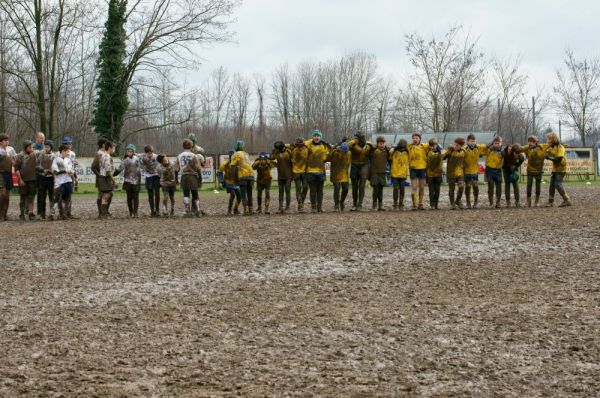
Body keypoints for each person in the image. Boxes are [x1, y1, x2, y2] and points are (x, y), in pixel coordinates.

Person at [305, 130, 332, 213]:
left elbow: (330, 152)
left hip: (321, 171)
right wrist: (309, 141)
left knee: (320, 191)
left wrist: (327, 144)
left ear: (320, 137)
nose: (316, 137)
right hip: (310, 171)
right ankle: (313, 207)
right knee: (312, 191)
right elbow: (303, 147)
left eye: (318, 136)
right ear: (313, 137)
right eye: (315, 135)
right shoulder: (309, 145)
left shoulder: (324, 146)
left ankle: (319, 207)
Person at [348, 131, 374, 211]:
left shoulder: (368, 145)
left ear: (360, 138)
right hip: (354, 165)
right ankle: (354, 204)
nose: (354, 139)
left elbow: (373, 152)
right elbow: (345, 147)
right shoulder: (352, 144)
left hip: (364, 165)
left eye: (356, 138)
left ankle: (360, 204)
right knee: (354, 186)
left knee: (362, 186)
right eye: (354, 138)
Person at [177, 139, 203, 217]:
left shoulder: (179, 155)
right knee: (195, 194)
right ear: (191, 146)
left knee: (186, 194)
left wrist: (176, 179)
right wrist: (200, 179)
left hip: (184, 176)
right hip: (193, 176)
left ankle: (187, 211)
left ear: (183, 146)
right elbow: (198, 168)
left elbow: (176, 168)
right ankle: (198, 211)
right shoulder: (193, 155)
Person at [49, 144, 75, 220]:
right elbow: (55, 171)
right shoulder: (56, 160)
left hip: (68, 181)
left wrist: (72, 172)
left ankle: (63, 214)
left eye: (68, 151)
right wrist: (64, 171)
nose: (68, 153)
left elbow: (72, 169)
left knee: (66, 199)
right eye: (67, 151)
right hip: (59, 183)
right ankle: (51, 214)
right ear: (62, 151)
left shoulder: (69, 160)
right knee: (56, 199)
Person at [545, 132, 571, 207]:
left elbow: (559, 159)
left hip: (561, 168)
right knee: (552, 185)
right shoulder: (550, 147)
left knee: (557, 183)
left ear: (554, 139)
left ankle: (567, 200)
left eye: (549, 139)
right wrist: (546, 153)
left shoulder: (560, 148)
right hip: (555, 169)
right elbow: (546, 152)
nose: (548, 140)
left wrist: (548, 157)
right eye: (548, 138)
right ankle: (550, 202)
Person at [520, 136, 547, 207]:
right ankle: (528, 201)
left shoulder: (541, 147)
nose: (530, 143)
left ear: (536, 142)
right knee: (529, 185)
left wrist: (563, 145)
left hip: (539, 171)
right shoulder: (527, 148)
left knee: (538, 186)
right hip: (530, 170)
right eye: (529, 141)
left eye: (532, 142)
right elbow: (519, 149)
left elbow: (550, 145)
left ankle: (536, 202)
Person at [15, 140, 38, 220]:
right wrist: (20, 179)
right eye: (30, 147)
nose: (31, 148)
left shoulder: (34, 155)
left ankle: (31, 213)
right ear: (25, 147)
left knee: (31, 197)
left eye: (32, 147)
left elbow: (37, 166)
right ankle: (22, 213)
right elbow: (17, 169)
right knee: (23, 197)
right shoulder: (19, 156)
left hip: (32, 179)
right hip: (23, 180)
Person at [406, 132, 430, 210]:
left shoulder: (424, 146)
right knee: (414, 187)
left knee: (422, 187)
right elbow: (398, 146)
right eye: (413, 138)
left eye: (416, 138)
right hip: (413, 169)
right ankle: (414, 205)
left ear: (420, 139)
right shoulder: (408, 146)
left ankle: (421, 204)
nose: (415, 139)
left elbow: (434, 144)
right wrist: (393, 148)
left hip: (422, 169)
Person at [231, 140, 254, 215]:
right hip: (251, 175)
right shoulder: (246, 154)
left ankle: (245, 210)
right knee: (250, 193)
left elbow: (234, 167)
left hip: (243, 175)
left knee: (243, 193)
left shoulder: (235, 154)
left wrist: (234, 179)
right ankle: (251, 209)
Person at [463, 134, 487, 209]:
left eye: (474, 141)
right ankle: (468, 203)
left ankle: (476, 202)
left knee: (475, 186)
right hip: (466, 171)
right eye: (471, 141)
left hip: (475, 171)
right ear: (468, 141)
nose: (473, 143)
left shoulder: (478, 148)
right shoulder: (464, 149)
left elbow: (486, 148)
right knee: (468, 186)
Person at [119, 144, 142, 217]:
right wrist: (115, 172)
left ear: (133, 152)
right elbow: (121, 168)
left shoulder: (138, 158)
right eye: (128, 151)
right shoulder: (125, 159)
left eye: (131, 151)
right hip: (127, 180)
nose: (129, 152)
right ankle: (130, 212)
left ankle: (136, 212)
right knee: (129, 197)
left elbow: (143, 160)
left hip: (136, 180)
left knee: (136, 197)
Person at [328, 141, 351, 211]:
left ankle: (342, 201)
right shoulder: (335, 153)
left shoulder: (349, 153)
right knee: (337, 188)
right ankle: (336, 204)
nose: (344, 152)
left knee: (346, 189)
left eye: (346, 151)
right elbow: (328, 158)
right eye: (343, 151)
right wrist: (333, 150)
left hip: (344, 173)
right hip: (335, 173)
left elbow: (349, 163)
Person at [35, 140, 55, 219]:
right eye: (45, 147)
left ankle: (52, 213)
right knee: (42, 196)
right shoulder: (41, 155)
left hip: (51, 178)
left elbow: (57, 166)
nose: (46, 148)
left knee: (51, 196)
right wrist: (43, 170)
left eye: (48, 147)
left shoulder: (54, 156)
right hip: (42, 177)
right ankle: (42, 213)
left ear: (51, 148)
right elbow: (36, 165)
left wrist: (51, 171)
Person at [271, 141, 293, 213]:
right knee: (280, 191)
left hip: (288, 175)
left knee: (287, 190)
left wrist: (293, 174)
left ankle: (288, 207)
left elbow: (293, 161)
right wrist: (273, 151)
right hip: (280, 175)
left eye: (279, 148)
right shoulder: (276, 152)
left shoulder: (289, 151)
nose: (279, 150)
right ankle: (280, 206)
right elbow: (271, 158)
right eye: (278, 148)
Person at [445, 137, 466, 210]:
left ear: (461, 146)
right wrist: (449, 149)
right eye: (455, 144)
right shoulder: (450, 151)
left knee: (461, 187)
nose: (455, 146)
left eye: (457, 145)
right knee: (452, 189)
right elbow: (443, 157)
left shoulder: (463, 151)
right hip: (451, 173)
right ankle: (452, 204)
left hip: (460, 172)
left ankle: (457, 200)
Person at [218, 150, 241, 215]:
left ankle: (235, 209)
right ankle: (229, 211)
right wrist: (222, 181)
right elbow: (219, 172)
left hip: (236, 183)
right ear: (230, 156)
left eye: (234, 156)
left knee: (239, 197)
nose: (233, 157)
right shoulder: (225, 163)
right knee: (233, 195)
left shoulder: (238, 164)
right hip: (228, 182)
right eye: (232, 156)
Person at [369, 136, 389, 211]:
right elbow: (369, 151)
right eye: (380, 143)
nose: (382, 145)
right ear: (377, 144)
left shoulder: (386, 151)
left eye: (383, 143)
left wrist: (388, 147)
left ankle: (380, 205)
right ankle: (374, 205)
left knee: (381, 190)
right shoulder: (373, 151)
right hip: (374, 173)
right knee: (375, 189)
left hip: (382, 173)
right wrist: (373, 147)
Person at [140, 145, 161, 217]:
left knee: (157, 193)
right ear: (145, 153)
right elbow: (135, 155)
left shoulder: (156, 157)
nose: (150, 155)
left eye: (151, 153)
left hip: (156, 176)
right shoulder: (143, 157)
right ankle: (152, 211)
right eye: (148, 153)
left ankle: (157, 210)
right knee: (150, 194)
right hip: (148, 176)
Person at [97, 141, 117, 219]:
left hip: (103, 177)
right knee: (106, 195)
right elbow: (108, 171)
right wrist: (113, 180)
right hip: (105, 177)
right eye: (113, 148)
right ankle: (103, 214)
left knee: (109, 194)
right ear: (109, 148)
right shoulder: (107, 156)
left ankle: (103, 213)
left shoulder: (104, 155)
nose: (114, 149)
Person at [484, 136, 504, 208]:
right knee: (491, 186)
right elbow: (483, 151)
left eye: (498, 143)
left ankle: (498, 202)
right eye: (495, 143)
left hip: (498, 170)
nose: (497, 144)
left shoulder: (503, 151)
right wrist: (489, 147)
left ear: (501, 143)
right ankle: (491, 202)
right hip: (489, 170)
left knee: (499, 187)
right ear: (493, 143)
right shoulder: (489, 150)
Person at [0, 134, 17, 221]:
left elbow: (15, 158)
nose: (7, 142)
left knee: (7, 195)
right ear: (1, 142)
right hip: (1, 174)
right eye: (5, 140)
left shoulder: (11, 149)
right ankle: (1, 214)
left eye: (7, 140)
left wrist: (13, 160)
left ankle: (5, 214)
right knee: (2, 194)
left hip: (9, 173)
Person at [291, 137, 309, 212]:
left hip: (305, 171)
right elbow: (291, 160)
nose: (300, 145)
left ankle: (301, 201)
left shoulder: (306, 149)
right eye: (298, 144)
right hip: (296, 171)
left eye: (301, 143)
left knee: (305, 187)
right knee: (298, 188)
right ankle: (300, 204)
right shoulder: (294, 151)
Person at [90, 137, 107, 217]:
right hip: (101, 179)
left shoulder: (105, 153)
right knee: (101, 195)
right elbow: (93, 167)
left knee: (108, 194)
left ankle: (105, 211)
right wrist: (99, 175)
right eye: (106, 143)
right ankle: (101, 212)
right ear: (103, 145)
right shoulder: (99, 154)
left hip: (106, 178)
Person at [390, 139, 409, 210]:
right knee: (395, 188)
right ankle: (395, 202)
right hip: (395, 173)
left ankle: (401, 203)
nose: (402, 147)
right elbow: (390, 157)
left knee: (402, 189)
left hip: (403, 174)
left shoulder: (407, 151)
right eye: (401, 146)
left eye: (404, 146)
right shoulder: (394, 151)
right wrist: (393, 148)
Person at [426, 138, 444, 210]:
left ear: (437, 145)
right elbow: (428, 163)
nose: (433, 147)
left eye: (434, 145)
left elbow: (444, 154)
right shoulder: (428, 152)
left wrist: (440, 149)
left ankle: (436, 204)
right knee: (431, 190)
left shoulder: (441, 152)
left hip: (438, 174)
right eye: (431, 146)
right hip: (430, 174)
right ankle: (432, 204)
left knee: (437, 190)